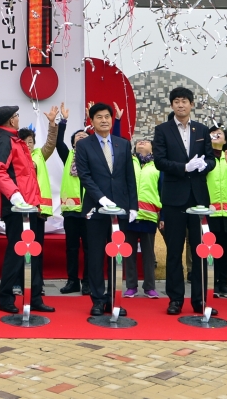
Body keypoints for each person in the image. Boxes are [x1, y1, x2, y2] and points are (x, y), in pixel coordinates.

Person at [150, 85, 214, 315]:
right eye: (176, 101)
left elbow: (211, 158)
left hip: (198, 197)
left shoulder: (202, 130)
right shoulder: (163, 130)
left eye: (184, 101)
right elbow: (160, 161)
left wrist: (205, 164)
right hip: (174, 198)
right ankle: (175, 299)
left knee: (199, 250)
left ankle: (200, 300)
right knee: (174, 251)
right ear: (171, 105)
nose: (181, 104)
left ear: (191, 104)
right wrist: (183, 167)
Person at [0, 105, 56, 315]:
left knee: (33, 253)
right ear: (11, 121)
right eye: (16, 116)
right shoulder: (4, 139)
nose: (18, 119)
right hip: (17, 207)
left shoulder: (16, 140)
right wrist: (15, 196)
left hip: (29, 206)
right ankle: (6, 297)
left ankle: (34, 296)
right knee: (17, 252)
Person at [75, 102, 137, 317]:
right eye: (99, 117)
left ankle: (113, 298)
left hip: (120, 209)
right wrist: (101, 199)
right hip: (95, 209)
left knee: (116, 254)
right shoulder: (84, 146)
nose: (104, 120)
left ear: (112, 119)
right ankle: (97, 299)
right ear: (91, 122)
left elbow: (130, 177)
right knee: (95, 255)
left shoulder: (123, 144)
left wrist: (133, 206)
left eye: (107, 117)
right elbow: (85, 177)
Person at [55, 109, 88, 295]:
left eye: (85, 136)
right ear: (73, 142)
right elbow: (58, 142)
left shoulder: (95, 157)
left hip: (90, 211)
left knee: (91, 249)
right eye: (78, 136)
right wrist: (63, 121)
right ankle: (72, 281)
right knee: (72, 248)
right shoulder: (68, 156)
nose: (81, 137)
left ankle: (89, 282)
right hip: (71, 211)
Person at [205, 125, 227, 298]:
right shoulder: (205, 158)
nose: (215, 136)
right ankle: (210, 283)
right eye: (212, 134)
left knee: (226, 249)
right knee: (209, 249)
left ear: (226, 140)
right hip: (210, 212)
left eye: (219, 134)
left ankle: (223, 284)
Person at [125, 139, 160, 299]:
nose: (142, 143)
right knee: (129, 253)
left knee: (148, 254)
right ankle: (131, 286)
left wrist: (163, 216)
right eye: (139, 141)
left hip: (149, 215)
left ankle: (149, 287)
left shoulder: (157, 165)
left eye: (146, 142)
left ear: (152, 148)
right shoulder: (128, 161)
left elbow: (163, 190)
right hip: (129, 215)